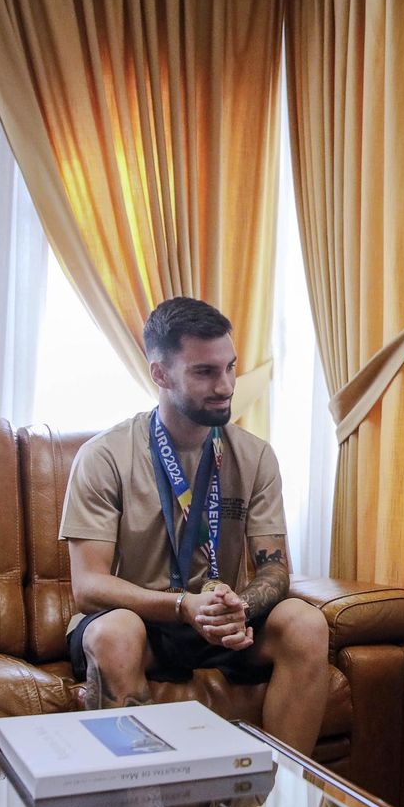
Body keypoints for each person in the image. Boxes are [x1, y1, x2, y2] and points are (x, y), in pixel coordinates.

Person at [61, 297, 328, 755]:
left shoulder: (256, 455)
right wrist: (185, 606)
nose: (225, 386)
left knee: (306, 622)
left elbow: (274, 569)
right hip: (144, 621)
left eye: (230, 368)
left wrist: (236, 609)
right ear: (160, 375)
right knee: (114, 634)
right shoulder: (105, 456)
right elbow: (88, 586)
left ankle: (283, 798)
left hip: (220, 620)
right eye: (205, 372)